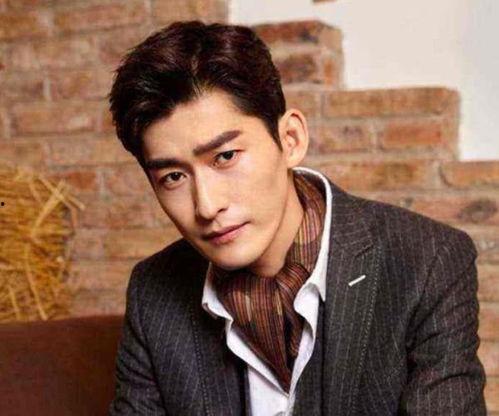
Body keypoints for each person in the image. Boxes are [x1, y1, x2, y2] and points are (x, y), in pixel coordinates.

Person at [107, 20, 486, 416]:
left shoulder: (427, 262)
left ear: (290, 140)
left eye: (225, 157)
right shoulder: (154, 291)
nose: (206, 206)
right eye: (173, 177)